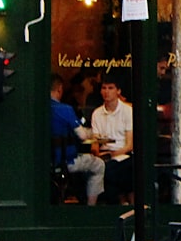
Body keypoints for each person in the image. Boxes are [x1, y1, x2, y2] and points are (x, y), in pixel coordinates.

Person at [50, 73, 104, 205]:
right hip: (64, 162)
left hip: (44, 162)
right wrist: (92, 134)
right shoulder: (65, 109)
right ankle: (90, 208)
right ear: (60, 89)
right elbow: (82, 136)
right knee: (98, 164)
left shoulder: (38, 109)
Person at [91, 75, 134, 205]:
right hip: (104, 156)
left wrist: (112, 155)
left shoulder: (127, 111)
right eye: (104, 88)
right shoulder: (97, 113)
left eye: (110, 88)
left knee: (119, 170)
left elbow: (129, 145)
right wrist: (96, 152)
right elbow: (95, 142)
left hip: (123, 155)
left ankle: (124, 202)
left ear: (118, 91)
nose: (106, 92)